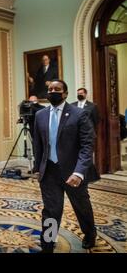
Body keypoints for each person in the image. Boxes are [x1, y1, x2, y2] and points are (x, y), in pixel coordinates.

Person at [33, 79, 100, 253]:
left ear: (65, 93)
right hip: (49, 171)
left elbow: (87, 144)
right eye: (50, 89)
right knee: (51, 210)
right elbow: (38, 145)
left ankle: (90, 233)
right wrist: (37, 168)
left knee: (82, 207)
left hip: (73, 172)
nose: (52, 91)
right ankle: (47, 243)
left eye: (57, 89)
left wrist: (79, 172)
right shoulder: (40, 115)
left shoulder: (79, 114)